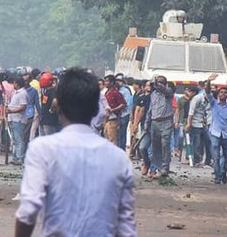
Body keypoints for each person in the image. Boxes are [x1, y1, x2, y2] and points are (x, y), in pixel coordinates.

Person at [14, 67, 136, 237]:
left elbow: (28, 211)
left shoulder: (42, 149)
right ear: (95, 109)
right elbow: (126, 227)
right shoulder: (119, 159)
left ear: (59, 106)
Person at [147, 75, 175, 178]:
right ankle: (159, 168)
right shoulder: (153, 94)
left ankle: (165, 167)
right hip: (155, 122)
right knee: (156, 146)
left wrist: (156, 83)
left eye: (161, 82)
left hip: (166, 121)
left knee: (165, 144)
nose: (158, 84)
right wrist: (147, 123)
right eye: (157, 82)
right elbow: (151, 109)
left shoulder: (168, 93)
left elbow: (163, 89)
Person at [6, 76, 29, 165]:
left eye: (14, 83)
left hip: (18, 119)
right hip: (13, 118)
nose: (13, 85)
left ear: (17, 84)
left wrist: (11, 111)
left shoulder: (22, 93)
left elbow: (23, 106)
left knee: (19, 139)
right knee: (15, 139)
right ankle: (15, 157)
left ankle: (19, 158)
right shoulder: (16, 93)